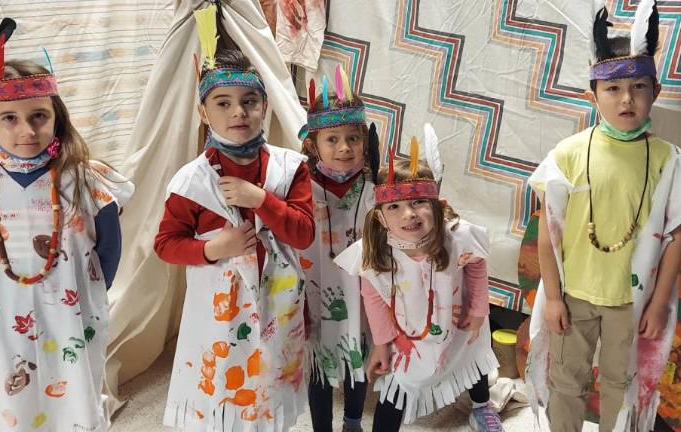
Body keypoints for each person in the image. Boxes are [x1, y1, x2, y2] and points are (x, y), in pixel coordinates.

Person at [0, 18, 132, 431]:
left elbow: (108, 253)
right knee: (14, 401)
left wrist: (79, 294)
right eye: (9, 118)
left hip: (74, 315)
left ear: (56, 117)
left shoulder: (87, 181)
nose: (26, 129)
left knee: (75, 397)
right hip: (3, 316)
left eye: (38, 116)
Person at [525, 1, 681, 430]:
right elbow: (549, 233)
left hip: (631, 302)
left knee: (622, 387)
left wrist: (659, 304)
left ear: (654, 92)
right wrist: (551, 297)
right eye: (613, 89)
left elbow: (676, 236)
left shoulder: (669, 161)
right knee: (567, 382)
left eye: (639, 87)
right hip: (576, 296)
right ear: (593, 94)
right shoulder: (566, 155)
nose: (627, 99)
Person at [153, 4, 315, 430]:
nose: (238, 112)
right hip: (218, 313)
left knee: (270, 389)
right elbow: (166, 244)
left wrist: (260, 198)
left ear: (265, 106)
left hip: (278, 303)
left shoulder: (289, 168)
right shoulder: (191, 181)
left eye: (249, 101)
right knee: (224, 392)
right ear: (205, 113)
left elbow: (302, 234)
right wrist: (212, 248)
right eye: (223, 103)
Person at [335, 141, 502, 431]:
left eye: (418, 203)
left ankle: (481, 406)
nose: (408, 214)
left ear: (436, 207)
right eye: (395, 206)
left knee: (473, 364)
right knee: (399, 388)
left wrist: (477, 309)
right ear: (381, 217)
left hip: (461, 323)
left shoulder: (457, 236)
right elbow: (372, 295)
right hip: (410, 336)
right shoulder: (373, 251)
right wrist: (382, 344)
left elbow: (476, 264)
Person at [298, 66, 379, 432]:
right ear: (314, 144)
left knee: (356, 359)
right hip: (315, 289)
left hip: (363, 293)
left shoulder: (376, 188)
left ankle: (351, 422)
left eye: (353, 138)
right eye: (332, 139)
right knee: (318, 363)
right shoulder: (299, 186)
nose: (344, 148)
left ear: (365, 140)